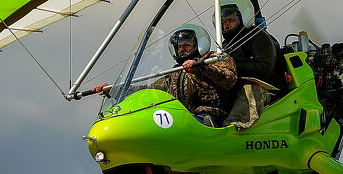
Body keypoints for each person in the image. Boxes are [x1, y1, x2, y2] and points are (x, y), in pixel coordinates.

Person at [95, 23, 237, 127]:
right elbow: (149, 89)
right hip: (184, 117)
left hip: (211, 115)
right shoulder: (176, 73)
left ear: (198, 43)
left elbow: (229, 79)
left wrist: (200, 68)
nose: (182, 50)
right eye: (179, 47)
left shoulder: (215, 58)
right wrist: (114, 90)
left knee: (200, 119)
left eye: (186, 45)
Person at [218, 0, 284, 128]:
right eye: (223, 21)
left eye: (231, 20)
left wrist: (232, 66)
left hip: (265, 91)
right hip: (236, 90)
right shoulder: (226, 45)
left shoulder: (258, 37)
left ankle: (232, 126)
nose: (226, 24)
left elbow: (265, 68)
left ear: (244, 18)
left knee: (249, 90)